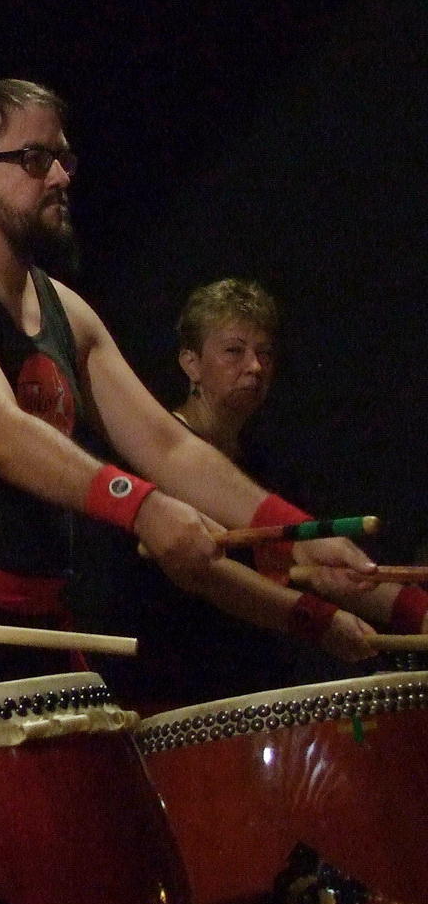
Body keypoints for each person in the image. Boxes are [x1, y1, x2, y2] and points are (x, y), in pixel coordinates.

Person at [0, 79, 382, 713]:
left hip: (33, 636)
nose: (61, 176)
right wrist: (142, 508)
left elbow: (169, 446)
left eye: (64, 158)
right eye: (35, 159)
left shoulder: (65, 310)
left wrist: (296, 531)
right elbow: (0, 434)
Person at [93, 278, 427, 709]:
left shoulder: (268, 468)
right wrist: (316, 619)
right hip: (170, 691)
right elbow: (204, 572)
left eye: (264, 353)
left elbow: (324, 564)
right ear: (191, 362)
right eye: (234, 351)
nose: (254, 366)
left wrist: (415, 610)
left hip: (255, 690)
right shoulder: (149, 454)